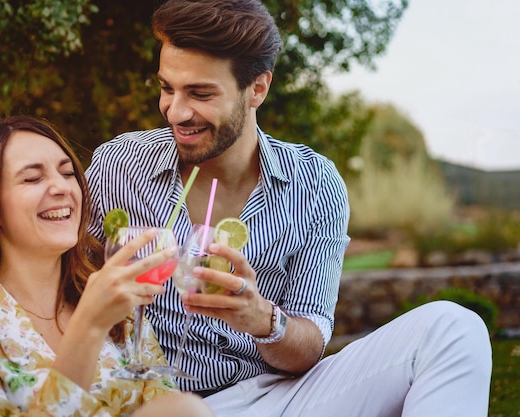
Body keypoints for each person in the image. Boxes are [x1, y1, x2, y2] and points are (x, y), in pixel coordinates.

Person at [84, 0, 493, 415]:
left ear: (257, 88)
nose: (176, 111)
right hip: (146, 399)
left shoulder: (314, 185)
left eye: (200, 93)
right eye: (167, 88)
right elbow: (58, 287)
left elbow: (308, 347)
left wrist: (261, 319)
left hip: (270, 399)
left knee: (453, 327)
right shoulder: (119, 166)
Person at [0, 116, 215, 417]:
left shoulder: (119, 310)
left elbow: (167, 404)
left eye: (67, 174)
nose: (62, 187)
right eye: (32, 178)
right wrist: (88, 327)